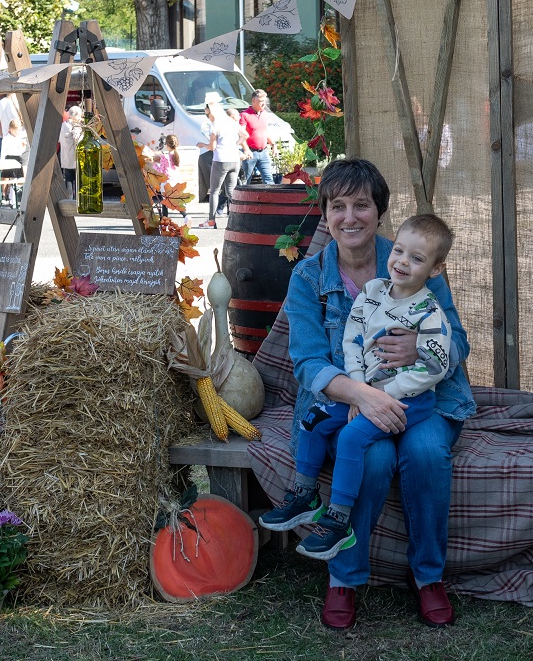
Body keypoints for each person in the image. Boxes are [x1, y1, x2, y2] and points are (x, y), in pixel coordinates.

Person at [279, 159, 473, 630]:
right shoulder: (308, 278)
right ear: (325, 213)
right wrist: (361, 397)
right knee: (373, 458)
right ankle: (344, 577)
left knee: (426, 452)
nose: (349, 217)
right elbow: (307, 361)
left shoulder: (414, 254)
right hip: (350, 399)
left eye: (361, 205)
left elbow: (458, 341)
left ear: (379, 211)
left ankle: (428, 577)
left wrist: (420, 346)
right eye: (337, 206)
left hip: (424, 395)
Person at [262, 213, 456, 563]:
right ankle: (306, 495)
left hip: (409, 400)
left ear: (434, 269)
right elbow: (353, 337)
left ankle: (339, 519)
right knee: (314, 418)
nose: (402, 262)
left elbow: (433, 368)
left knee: (353, 437)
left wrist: (380, 397)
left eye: (417, 259)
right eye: (399, 251)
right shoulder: (373, 292)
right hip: (365, 389)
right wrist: (359, 387)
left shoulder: (429, 311)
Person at [200, 91, 244, 228]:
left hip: (221, 160)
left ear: (211, 112)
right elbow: (245, 135)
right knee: (231, 191)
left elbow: (213, 147)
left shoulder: (215, 124)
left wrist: (203, 145)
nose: (208, 116)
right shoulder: (231, 121)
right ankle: (242, 217)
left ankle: (211, 221)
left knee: (214, 191)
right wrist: (234, 145)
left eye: (208, 113)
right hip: (234, 159)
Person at [239, 90, 274, 185]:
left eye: (264, 101)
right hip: (250, 152)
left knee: (269, 180)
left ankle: (271, 199)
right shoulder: (244, 115)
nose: (263, 103)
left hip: (264, 152)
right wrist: (246, 150)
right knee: (246, 181)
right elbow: (241, 134)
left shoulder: (264, 113)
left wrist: (273, 144)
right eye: (261, 101)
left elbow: (264, 131)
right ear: (253, 100)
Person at [0, 118, 27, 200]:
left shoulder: (19, 137)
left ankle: (13, 199)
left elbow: (21, 151)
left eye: (19, 130)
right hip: (9, 159)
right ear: (11, 129)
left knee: (16, 179)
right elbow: (3, 152)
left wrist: (23, 146)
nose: (18, 132)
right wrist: (2, 163)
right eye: (16, 130)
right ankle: (5, 196)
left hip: (17, 159)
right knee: (8, 178)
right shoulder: (6, 138)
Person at [59, 105, 84, 191]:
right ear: (76, 116)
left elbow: (59, 139)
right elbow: (78, 140)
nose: (80, 117)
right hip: (75, 158)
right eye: (80, 115)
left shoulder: (63, 125)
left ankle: (69, 199)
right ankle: (77, 199)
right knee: (78, 180)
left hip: (65, 157)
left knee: (68, 179)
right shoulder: (75, 126)